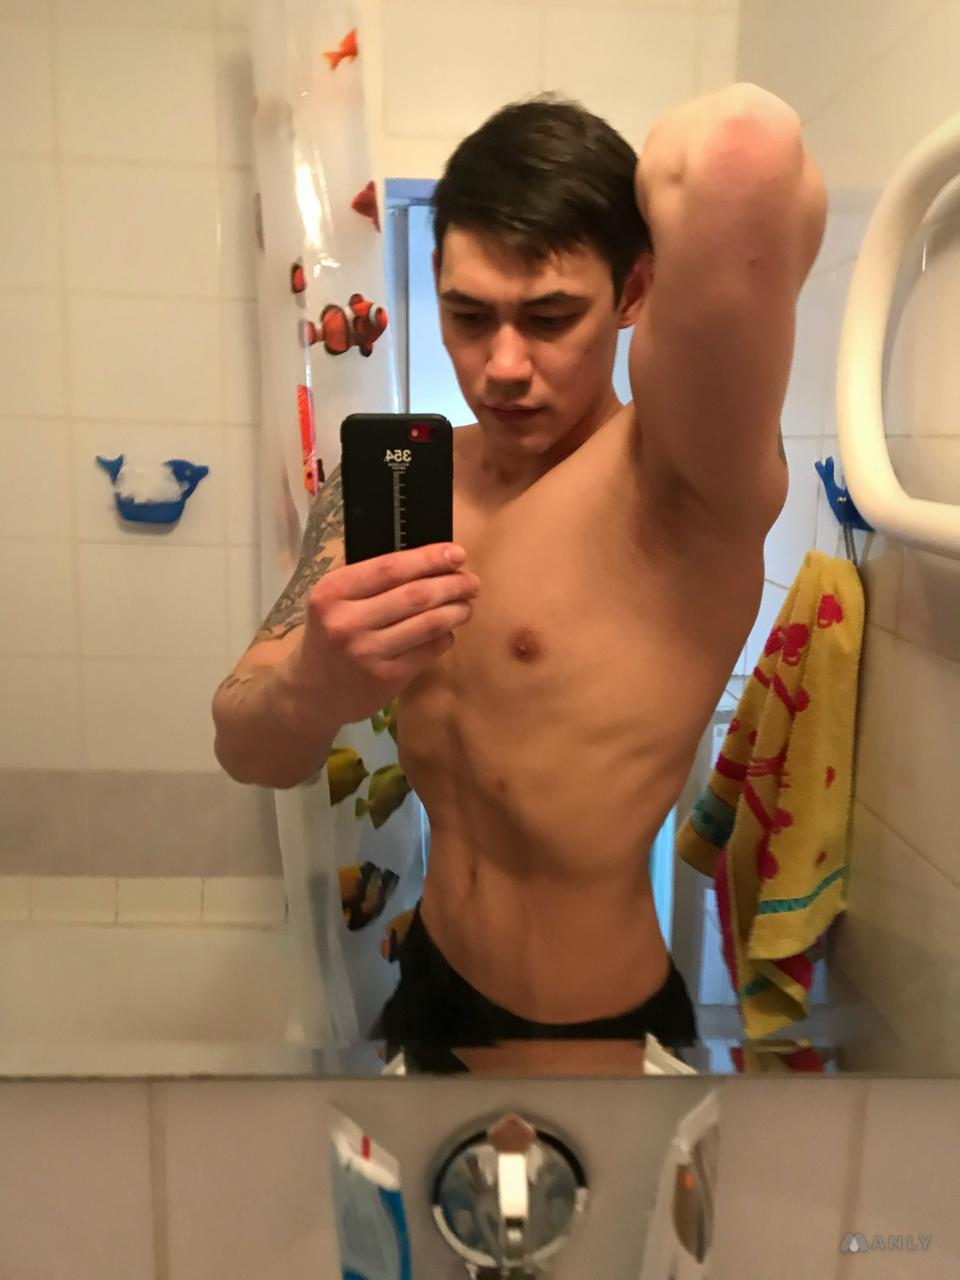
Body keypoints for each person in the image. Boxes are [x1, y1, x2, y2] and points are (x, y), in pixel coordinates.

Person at [212, 85, 826, 1072]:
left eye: (550, 317)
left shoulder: (679, 483)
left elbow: (743, 148)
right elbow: (247, 746)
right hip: (426, 980)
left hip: (584, 1036)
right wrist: (311, 686)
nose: (501, 366)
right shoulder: (396, 485)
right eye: (468, 315)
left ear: (635, 293)